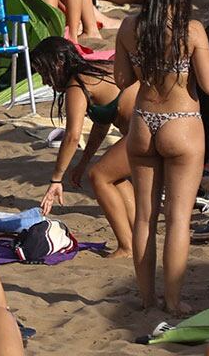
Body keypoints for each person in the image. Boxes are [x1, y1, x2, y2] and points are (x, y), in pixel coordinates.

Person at [115, 0, 209, 315]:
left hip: (144, 122)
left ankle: (146, 299)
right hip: (182, 122)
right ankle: (173, 302)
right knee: (177, 220)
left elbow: (121, 79)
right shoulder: (192, 31)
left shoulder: (130, 27)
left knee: (144, 217)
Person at [35, 37, 137, 253]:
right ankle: (137, 238)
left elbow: (72, 136)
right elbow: (101, 126)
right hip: (154, 127)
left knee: (99, 176)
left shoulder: (77, 84)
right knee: (112, 176)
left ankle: (126, 247)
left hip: (148, 130)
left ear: (58, 63)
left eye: (44, 72)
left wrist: (56, 179)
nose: (45, 81)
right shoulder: (94, 71)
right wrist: (83, 162)